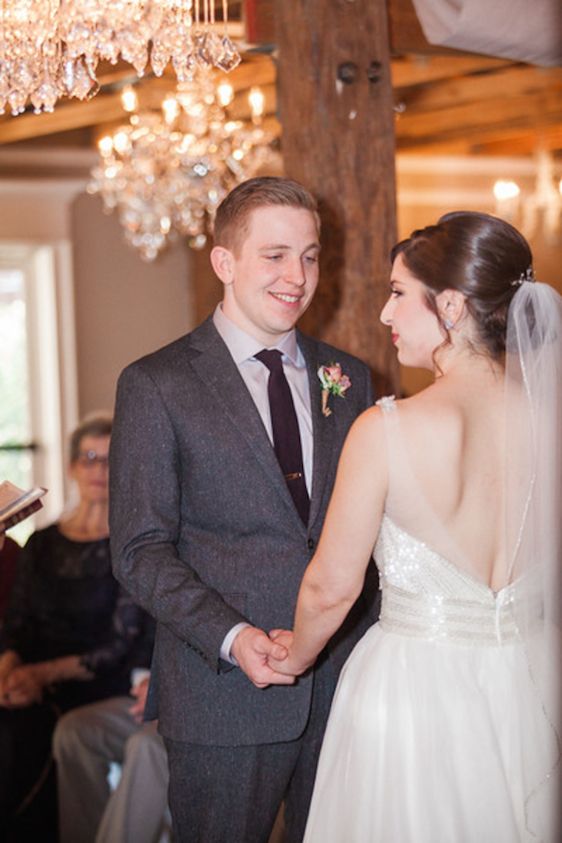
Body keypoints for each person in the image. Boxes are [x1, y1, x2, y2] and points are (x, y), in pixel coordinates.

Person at [267, 211, 561, 842]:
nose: (385, 315)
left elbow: (331, 588)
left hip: (413, 692)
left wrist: (293, 654)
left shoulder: (386, 430)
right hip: (533, 680)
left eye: (399, 294)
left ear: (451, 305)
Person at [109, 176, 377, 843]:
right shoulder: (156, 383)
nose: (298, 275)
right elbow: (139, 549)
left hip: (345, 686)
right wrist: (233, 635)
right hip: (223, 695)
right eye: (276, 254)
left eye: (311, 255)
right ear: (224, 262)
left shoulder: (348, 378)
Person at [0, 414, 149, 842]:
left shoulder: (131, 545)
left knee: (29, 737)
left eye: (108, 459)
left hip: (100, 683)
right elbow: (16, 621)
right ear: (71, 467)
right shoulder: (43, 543)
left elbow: (121, 646)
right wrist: (9, 672)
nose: (99, 469)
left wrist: (39, 677)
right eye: (89, 458)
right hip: (34, 681)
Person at [53, 669, 170, 843]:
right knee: (74, 732)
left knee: (146, 746)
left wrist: (172, 693)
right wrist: (147, 682)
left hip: (201, 713)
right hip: (152, 689)